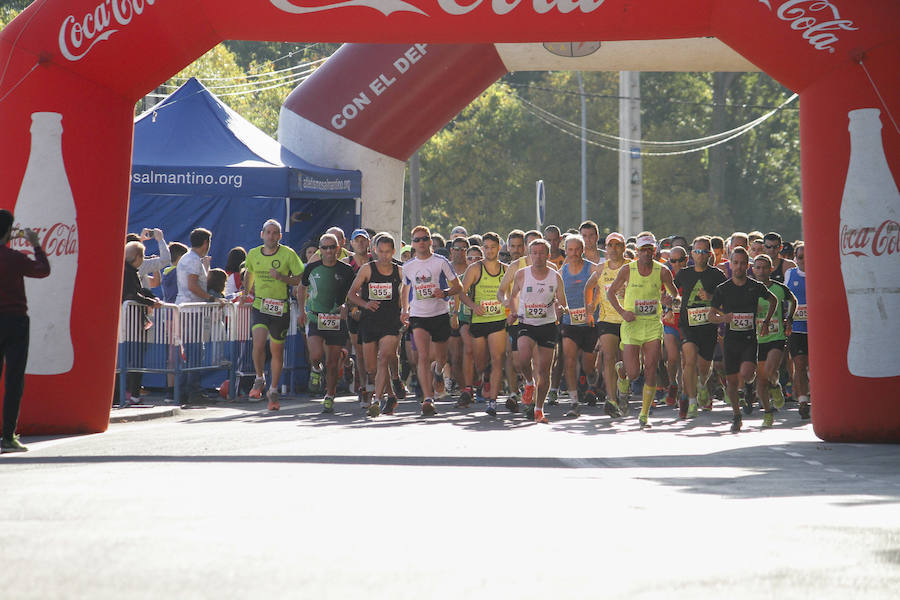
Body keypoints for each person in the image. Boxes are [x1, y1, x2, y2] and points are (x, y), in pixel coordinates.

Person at [606, 232, 678, 429]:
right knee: (633, 372)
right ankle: (622, 376)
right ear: (637, 252)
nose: (646, 253)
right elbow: (610, 292)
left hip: (653, 325)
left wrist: (670, 301)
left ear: (655, 251)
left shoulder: (662, 271)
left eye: (650, 250)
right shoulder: (627, 270)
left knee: (652, 367)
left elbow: (675, 294)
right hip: (632, 325)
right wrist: (622, 312)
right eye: (643, 250)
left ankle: (644, 414)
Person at [709, 247, 778, 433]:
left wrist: (766, 322)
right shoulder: (722, 289)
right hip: (730, 340)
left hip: (749, 338)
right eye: (735, 263)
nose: (739, 267)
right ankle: (736, 415)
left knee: (747, 374)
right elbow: (710, 315)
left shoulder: (755, 287)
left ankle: (748, 386)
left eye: (742, 263)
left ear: (747, 265)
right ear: (730, 264)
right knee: (731, 383)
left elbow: (773, 301)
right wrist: (723, 319)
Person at [0, 211, 50, 453]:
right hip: (16, 321)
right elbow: (42, 270)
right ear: (9, 231)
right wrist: (36, 244)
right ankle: (8, 436)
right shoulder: (14, 257)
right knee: (14, 381)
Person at [241, 220, 304, 410]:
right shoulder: (253, 254)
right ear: (262, 234)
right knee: (258, 343)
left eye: (275, 233)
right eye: (268, 232)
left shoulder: (288, 254)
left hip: (280, 308)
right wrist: (245, 294)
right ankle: (260, 378)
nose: (271, 236)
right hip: (260, 305)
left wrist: (282, 278)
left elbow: (300, 277)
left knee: (276, 351)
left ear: (280, 236)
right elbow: (249, 274)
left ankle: (274, 390)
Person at [400, 225, 463, 416]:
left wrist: (444, 292)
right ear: (413, 244)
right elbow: (405, 289)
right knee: (423, 356)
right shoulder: (408, 266)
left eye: (424, 239)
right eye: (417, 240)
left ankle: (439, 372)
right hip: (418, 315)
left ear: (429, 241)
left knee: (440, 357)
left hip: (439, 313)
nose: (421, 243)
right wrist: (405, 310)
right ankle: (428, 399)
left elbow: (458, 286)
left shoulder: (441, 262)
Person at [507, 239, 568, 423]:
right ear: (529, 254)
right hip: (526, 322)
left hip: (548, 325)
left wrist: (560, 308)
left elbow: (562, 301)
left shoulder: (555, 276)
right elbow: (514, 296)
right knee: (523, 360)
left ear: (548, 255)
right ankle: (528, 383)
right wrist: (514, 312)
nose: (538, 256)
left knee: (544, 370)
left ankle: (539, 409)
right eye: (534, 252)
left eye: (542, 253)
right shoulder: (521, 274)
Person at [348, 233, 405, 416]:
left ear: (393, 252)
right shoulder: (367, 269)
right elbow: (351, 294)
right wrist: (365, 304)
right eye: (380, 251)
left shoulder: (400, 271)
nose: (384, 256)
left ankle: (377, 400)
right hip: (369, 321)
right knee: (371, 368)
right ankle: (390, 395)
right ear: (374, 250)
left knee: (384, 358)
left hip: (390, 322)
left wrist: (405, 310)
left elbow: (407, 294)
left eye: (388, 252)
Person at [298, 233, 355, 413]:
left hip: (336, 319)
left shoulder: (346, 270)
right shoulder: (312, 267)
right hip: (316, 317)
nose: (329, 251)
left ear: (339, 249)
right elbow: (301, 288)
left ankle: (330, 395)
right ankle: (315, 369)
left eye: (332, 247)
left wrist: (347, 306)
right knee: (315, 355)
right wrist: (302, 311)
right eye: (325, 248)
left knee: (332, 362)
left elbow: (354, 293)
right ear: (320, 250)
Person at [674, 236, 726, 419]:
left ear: (710, 254)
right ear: (691, 254)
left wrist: (710, 297)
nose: (700, 255)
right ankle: (692, 401)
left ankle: (702, 384)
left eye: (704, 252)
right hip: (688, 324)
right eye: (696, 251)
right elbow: (672, 293)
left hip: (708, 326)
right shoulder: (683, 274)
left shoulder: (717, 275)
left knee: (704, 368)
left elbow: (725, 298)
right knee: (688, 360)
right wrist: (669, 302)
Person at [459, 233, 509, 415]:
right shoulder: (474, 269)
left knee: (497, 359)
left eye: (493, 247)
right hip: (479, 320)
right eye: (486, 247)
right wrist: (473, 306)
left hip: (498, 320)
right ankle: (484, 375)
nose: (489, 250)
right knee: (480, 362)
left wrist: (508, 305)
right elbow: (462, 293)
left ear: (498, 248)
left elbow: (514, 293)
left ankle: (493, 402)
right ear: (482, 249)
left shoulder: (506, 269)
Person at [585, 232, 628, 418]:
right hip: (607, 320)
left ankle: (624, 385)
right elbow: (589, 286)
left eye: (618, 245)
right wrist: (589, 309)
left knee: (630, 365)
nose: (613, 249)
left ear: (624, 248)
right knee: (609, 357)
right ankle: (611, 399)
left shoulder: (631, 267)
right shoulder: (601, 268)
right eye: (610, 245)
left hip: (628, 319)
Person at [751, 253, 797, 422]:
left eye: (764, 267)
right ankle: (768, 412)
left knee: (770, 370)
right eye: (758, 267)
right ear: (753, 269)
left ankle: (775, 385)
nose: (761, 271)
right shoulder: (749, 288)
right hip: (757, 339)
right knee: (761, 381)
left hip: (776, 337)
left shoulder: (779, 288)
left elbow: (793, 300)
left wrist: (789, 319)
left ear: (771, 269)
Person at [557, 235, 599, 418]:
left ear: (582, 250)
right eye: (570, 249)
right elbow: (557, 293)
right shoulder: (562, 272)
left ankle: (591, 381)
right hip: (570, 322)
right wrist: (559, 307)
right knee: (569, 359)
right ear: (565, 251)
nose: (574, 253)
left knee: (589, 365)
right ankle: (574, 402)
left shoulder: (592, 268)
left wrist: (593, 305)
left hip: (590, 322)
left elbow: (601, 287)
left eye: (577, 249)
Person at [784, 243, 810, 419]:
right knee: (799, 364)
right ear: (795, 258)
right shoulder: (790, 274)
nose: (804, 261)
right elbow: (784, 299)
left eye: (808, 257)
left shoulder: (820, 273)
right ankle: (802, 401)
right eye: (801, 257)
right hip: (797, 329)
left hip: (818, 331)